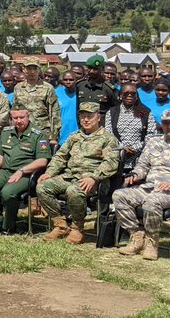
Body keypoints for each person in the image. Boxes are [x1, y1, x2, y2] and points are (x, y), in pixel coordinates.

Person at [112, 109, 170, 260]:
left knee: (152, 201)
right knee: (119, 195)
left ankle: (151, 242)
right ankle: (136, 235)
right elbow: (142, 166)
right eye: (166, 123)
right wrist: (135, 175)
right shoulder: (153, 143)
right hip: (148, 188)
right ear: (161, 125)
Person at [36, 101, 119, 244]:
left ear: (98, 117)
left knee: (73, 190)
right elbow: (61, 156)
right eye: (82, 117)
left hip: (93, 180)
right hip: (70, 176)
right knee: (42, 187)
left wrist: (94, 177)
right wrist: (49, 172)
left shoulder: (108, 139)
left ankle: (77, 228)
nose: (85, 120)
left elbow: (110, 163)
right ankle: (60, 225)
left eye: (89, 116)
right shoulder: (74, 136)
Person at [0, 105, 52, 234]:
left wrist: (22, 170)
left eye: (22, 117)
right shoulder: (7, 132)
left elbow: (42, 161)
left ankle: (9, 226)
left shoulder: (39, 135)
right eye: (15, 118)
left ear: (28, 117)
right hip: (6, 171)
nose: (18, 121)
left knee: (8, 193)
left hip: (26, 175)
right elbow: (0, 153)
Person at [107, 84, 152, 177]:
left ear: (137, 96)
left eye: (133, 93)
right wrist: (122, 148)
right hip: (117, 157)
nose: (129, 95)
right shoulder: (112, 112)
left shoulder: (146, 112)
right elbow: (108, 134)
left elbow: (151, 136)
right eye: (126, 93)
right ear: (120, 96)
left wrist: (135, 148)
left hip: (139, 159)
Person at [12, 58, 60, 142]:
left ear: (39, 69)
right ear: (24, 70)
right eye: (29, 68)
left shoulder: (48, 88)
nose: (32, 72)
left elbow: (54, 113)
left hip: (42, 132)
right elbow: (15, 111)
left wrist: (54, 137)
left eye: (35, 68)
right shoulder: (18, 88)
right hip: (23, 132)